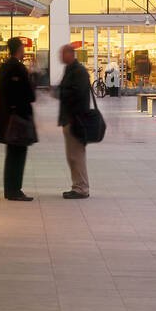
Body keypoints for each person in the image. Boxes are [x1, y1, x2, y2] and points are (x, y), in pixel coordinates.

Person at [0, 37, 36, 201]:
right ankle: (14, 190)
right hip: (19, 118)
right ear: (19, 49)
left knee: (11, 154)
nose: (24, 50)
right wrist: (32, 78)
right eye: (23, 47)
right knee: (18, 154)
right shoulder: (18, 68)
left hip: (7, 117)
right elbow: (29, 95)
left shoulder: (4, 67)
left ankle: (10, 189)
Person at [57, 42, 92, 199]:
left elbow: (77, 94)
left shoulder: (79, 71)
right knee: (72, 156)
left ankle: (81, 188)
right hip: (69, 118)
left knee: (76, 154)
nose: (60, 57)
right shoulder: (70, 69)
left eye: (63, 53)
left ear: (71, 54)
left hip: (76, 119)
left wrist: (61, 93)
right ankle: (77, 185)